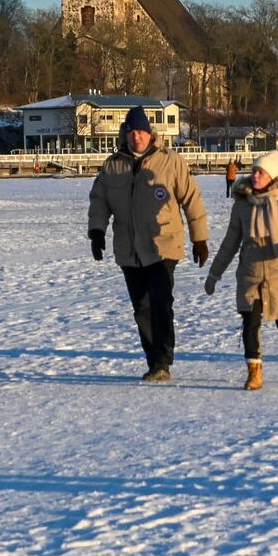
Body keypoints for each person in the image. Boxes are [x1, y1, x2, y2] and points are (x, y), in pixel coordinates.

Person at [87, 106, 209, 382]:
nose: (136, 137)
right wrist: (96, 231)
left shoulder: (171, 162)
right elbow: (99, 201)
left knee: (160, 302)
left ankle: (162, 362)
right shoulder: (113, 165)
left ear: (150, 133)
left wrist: (199, 237)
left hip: (163, 244)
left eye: (141, 132)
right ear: (125, 134)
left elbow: (192, 199)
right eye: (131, 132)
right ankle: (154, 360)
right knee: (141, 308)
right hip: (129, 249)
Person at [205, 153, 278, 390]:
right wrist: (214, 274)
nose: (255, 175)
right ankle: (254, 372)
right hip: (250, 272)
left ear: (271, 176)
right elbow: (230, 242)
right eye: (254, 171)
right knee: (250, 322)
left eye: (261, 172)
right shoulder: (242, 205)